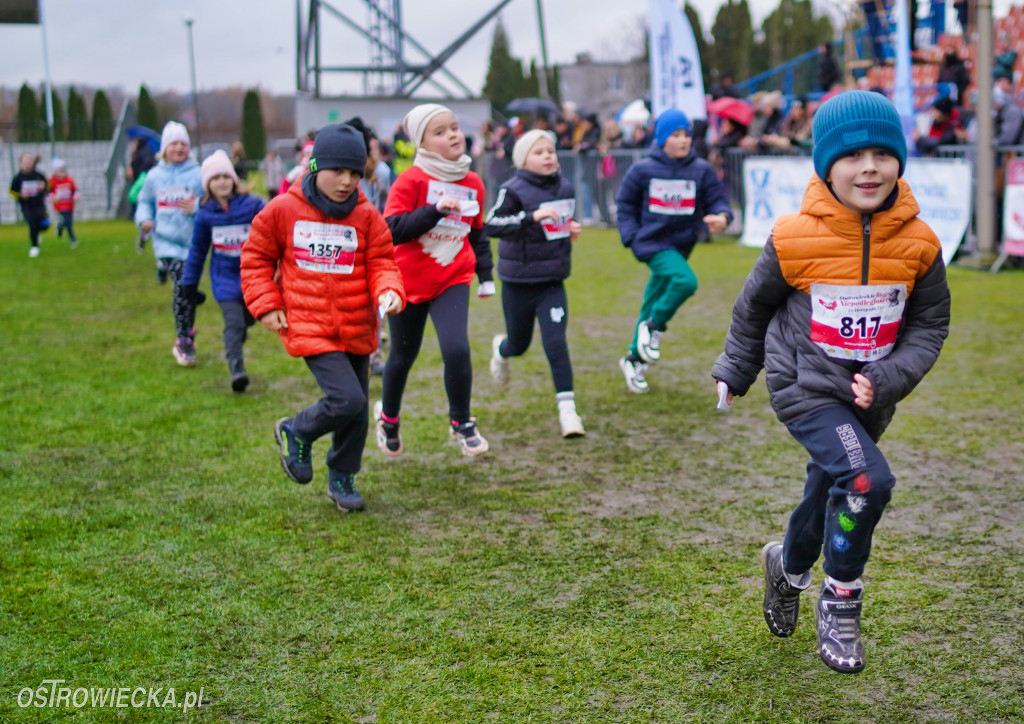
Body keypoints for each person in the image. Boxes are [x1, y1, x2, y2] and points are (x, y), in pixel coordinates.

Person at [711, 91, 950, 674]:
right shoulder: (793, 237)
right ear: (825, 165)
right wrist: (736, 370)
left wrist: (888, 377)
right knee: (867, 480)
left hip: (870, 397)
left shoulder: (921, 243)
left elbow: (929, 325)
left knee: (828, 489)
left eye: (882, 154)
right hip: (805, 386)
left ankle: (788, 570)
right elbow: (753, 308)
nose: (869, 168)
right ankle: (841, 598)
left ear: (899, 161)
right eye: (852, 156)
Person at [241, 123, 405, 513]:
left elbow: (382, 262)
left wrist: (390, 290)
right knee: (347, 398)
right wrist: (266, 304)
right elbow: (256, 259)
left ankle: (342, 476)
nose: (347, 181)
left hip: (358, 325)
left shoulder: (367, 216)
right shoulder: (282, 210)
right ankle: (297, 429)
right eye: (338, 171)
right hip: (308, 323)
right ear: (315, 167)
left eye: (355, 172)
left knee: (358, 410)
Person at [376, 103, 495, 458]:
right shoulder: (410, 180)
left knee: (457, 349)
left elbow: (477, 233)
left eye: (454, 127)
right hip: (409, 281)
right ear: (422, 144)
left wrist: (485, 275)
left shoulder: (473, 182)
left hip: (452, 276)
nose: (453, 135)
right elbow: (392, 229)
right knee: (403, 355)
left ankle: (461, 421)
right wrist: (435, 211)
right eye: (440, 132)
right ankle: (388, 419)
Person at [615, 109, 732, 394]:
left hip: (681, 246)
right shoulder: (642, 170)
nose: (683, 140)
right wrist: (631, 237)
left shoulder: (701, 169)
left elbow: (718, 200)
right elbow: (625, 204)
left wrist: (723, 217)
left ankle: (634, 359)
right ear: (662, 138)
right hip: (652, 244)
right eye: (676, 135)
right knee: (685, 281)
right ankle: (654, 326)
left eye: (686, 135)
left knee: (653, 298)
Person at [483, 129, 585, 438]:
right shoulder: (512, 190)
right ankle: (501, 351)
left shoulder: (565, 187)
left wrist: (570, 227)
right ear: (522, 160)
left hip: (552, 281)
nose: (547, 156)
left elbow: (560, 223)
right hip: (518, 282)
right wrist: (532, 216)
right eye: (539, 152)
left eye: (550, 151)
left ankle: (568, 412)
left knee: (556, 343)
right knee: (519, 345)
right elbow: (492, 225)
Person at [179, 150, 265, 391]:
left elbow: (274, 224)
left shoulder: (253, 205)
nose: (222, 182)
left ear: (234, 179)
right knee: (233, 323)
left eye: (226, 177)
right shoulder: (205, 215)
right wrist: (189, 284)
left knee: (246, 321)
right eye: (215, 178)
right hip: (224, 280)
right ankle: (237, 371)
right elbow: (197, 251)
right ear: (207, 185)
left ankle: (239, 334)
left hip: (253, 278)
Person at [135, 121, 204, 365]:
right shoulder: (154, 176)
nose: (179, 148)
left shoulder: (198, 174)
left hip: (193, 243)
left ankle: (188, 330)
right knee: (182, 284)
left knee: (188, 288)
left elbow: (211, 199)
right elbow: (144, 202)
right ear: (164, 148)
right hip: (165, 242)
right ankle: (183, 340)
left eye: (183, 143)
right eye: (174, 143)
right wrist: (144, 219)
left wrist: (197, 205)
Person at [8, 153, 49, 258]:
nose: (28, 164)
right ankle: (34, 247)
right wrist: (21, 194)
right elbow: (12, 192)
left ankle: (36, 233)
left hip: (39, 204)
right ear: (20, 164)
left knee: (45, 225)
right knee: (32, 223)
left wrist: (43, 187)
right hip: (27, 206)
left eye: (29, 161)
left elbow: (49, 187)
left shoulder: (38, 175)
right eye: (25, 162)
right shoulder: (18, 178)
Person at [48, 158, 80, 248]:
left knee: (68, 222)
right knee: (67, 222)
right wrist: (53, 198)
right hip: (59, 206)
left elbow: (75, 190)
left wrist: (76, 196)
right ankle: (73, 239)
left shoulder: (69, 180)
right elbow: (48, 192)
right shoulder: (52, 181)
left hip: (69, 205)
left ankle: (60, 227)